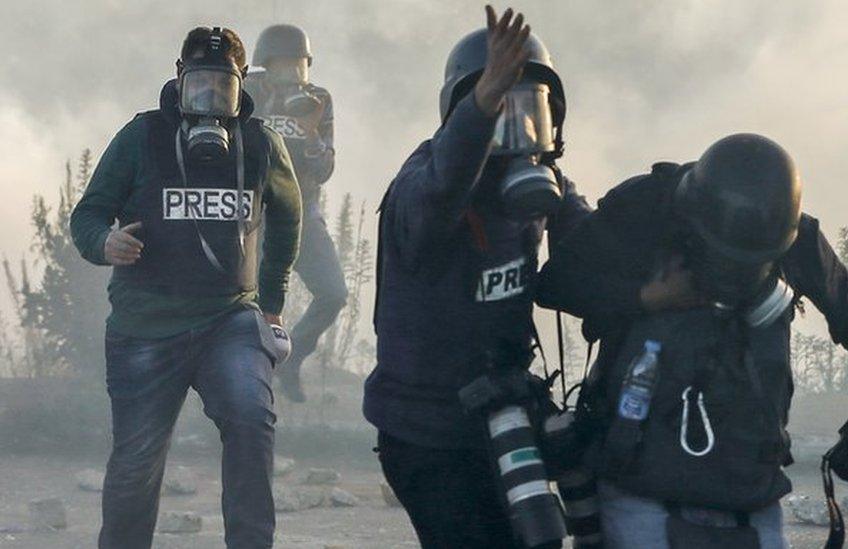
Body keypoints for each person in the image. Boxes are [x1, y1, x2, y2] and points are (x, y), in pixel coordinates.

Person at [536, 134, 848, 548]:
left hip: (750, 492)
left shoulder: (793, 234)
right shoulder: (645, 207)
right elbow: (557, 284)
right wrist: (647, 299)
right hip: (637, 486)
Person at [362, 6, 591, 548]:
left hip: (500, 417)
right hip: (427, 433)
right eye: (500, 108)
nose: (517, 128)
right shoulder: (423, 183)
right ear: (464, 112)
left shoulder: (538, 188)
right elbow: (442, 189)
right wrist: (481, 106)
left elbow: (593, 258)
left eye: (531, 110)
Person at [69, 27, 302, 549]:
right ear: (178, 80)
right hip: (145, 326)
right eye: (200, 84)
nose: (211, 98)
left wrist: (272, 302)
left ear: (243, 88)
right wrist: (104, 244)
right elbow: (86, 215)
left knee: (251, 421)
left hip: (230, 321)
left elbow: (288, 217)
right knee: (136, 463)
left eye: (224, 87)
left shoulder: (261, 144)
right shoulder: (143, 136)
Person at [245, 24, 347, 402]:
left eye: (298, 67)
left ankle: (293, 356)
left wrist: (310, 133)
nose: (291, 76)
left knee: (333, 292)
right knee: (250, 299)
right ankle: (247, 377)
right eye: (282, 67)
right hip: (255, 210)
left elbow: (325, 168)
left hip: (303, 208)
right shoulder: (248, 90)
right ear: (266, 67)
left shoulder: (318, 99)